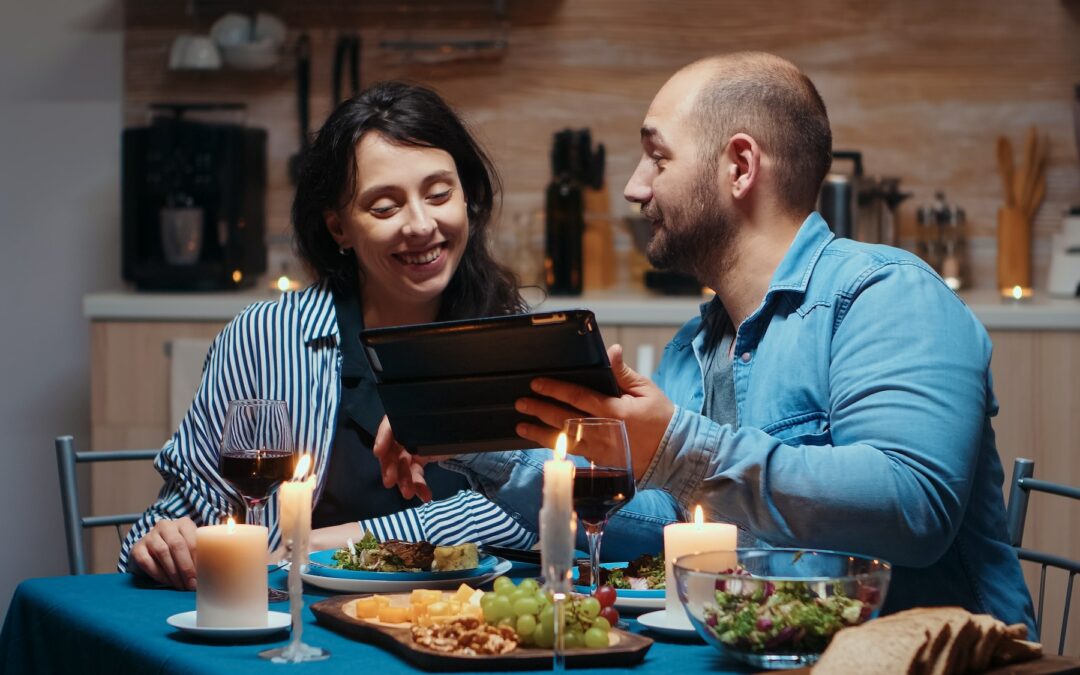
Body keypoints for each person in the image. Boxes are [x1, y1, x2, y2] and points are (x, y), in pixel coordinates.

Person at [377, 53, 1037, 632]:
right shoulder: (695, 344)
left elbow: (912, 507)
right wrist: (475, 448)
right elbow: (661, 529)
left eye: (657, 157)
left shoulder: (885, 296)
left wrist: (673, 444)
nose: (636, 186)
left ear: (740, 166)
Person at [123, 81, 542, 590]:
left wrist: (353, 539)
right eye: (385, 207)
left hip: (461, 636)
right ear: (339, 228)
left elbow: (534, 514)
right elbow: (186, 513)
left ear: (468, 199)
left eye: (438, 194)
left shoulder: (515, 345)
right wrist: (165, 540)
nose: (420, 224)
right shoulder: (267, 337)